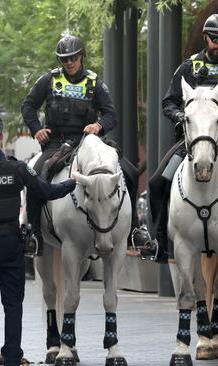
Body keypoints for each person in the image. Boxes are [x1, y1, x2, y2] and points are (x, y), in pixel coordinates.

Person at [132, 13, 218, 261]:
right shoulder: (188, 67)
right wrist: (178, 116)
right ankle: (158, 241)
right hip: (193, 140)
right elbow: (168, 101)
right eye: (216, 39)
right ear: (206, 38)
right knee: (156, 183)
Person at [0, 114, 76, 366]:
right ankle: (11, 357)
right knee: (12, 305)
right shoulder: (17, 168)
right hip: (10, 244)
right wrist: (72, 184)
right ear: (2, 136)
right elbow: (45, 191)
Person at [20, 34, 138, 255]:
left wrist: (99, 125)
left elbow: (112, 114)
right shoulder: (48, 80)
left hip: (89, 142)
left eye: (73, 57)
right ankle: (33, 234)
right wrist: (37, 129)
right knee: (37, 174)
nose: (70, 62)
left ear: (81, 56)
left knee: (129, 172)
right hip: (57, 142)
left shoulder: (95, 82)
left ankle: (135, 230)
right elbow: (28, 107)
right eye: (65, 59)